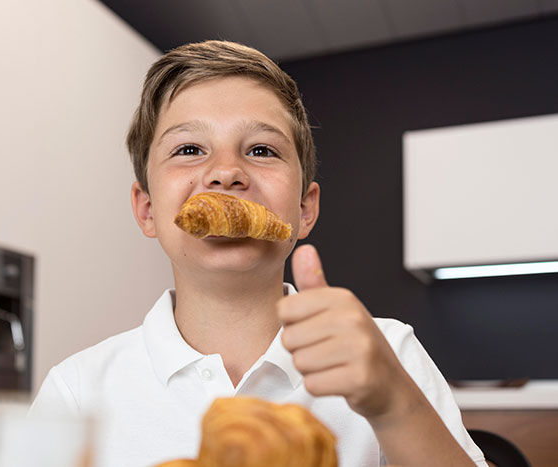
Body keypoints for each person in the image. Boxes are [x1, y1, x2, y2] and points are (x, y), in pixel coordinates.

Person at [29, 40, 487, 467]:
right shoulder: (77, 391)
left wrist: (392, 406)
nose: (226, 172)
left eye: (262, 150)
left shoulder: (389, 354)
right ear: (147, 210)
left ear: (305, 209)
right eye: (189, 149)